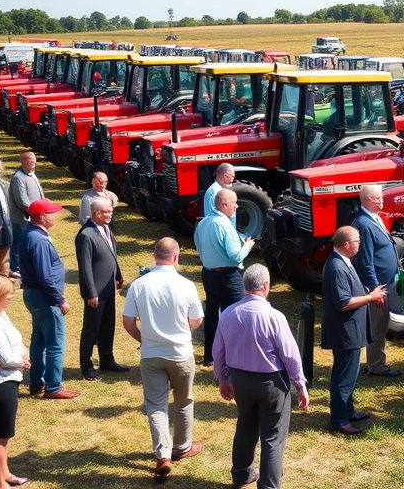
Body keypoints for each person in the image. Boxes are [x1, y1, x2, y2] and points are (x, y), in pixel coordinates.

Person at [214, 264, 309, 489]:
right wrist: (300, 384)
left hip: (240, 381)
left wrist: (223, 380)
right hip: (271, 384)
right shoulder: (274, 317)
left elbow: (218, 351)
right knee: (273, 438)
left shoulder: (228, 314)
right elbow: (291, 355)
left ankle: (241, 474)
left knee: (245, 426)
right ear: (265, 286)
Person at [122, 238, 205, 479]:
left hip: (151, 354)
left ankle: (163, 454)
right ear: (176, 257)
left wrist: (144, 339)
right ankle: (182, 446)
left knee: (156, 406)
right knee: (184, 401)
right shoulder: (187, 284)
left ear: (153, 255)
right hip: (180, 353)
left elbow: (128, 321)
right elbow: (197, 320)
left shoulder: (139, 285)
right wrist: (183, 331)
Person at [321, 226, 385, 435]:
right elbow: (343, 302)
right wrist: (371, 297)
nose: (360, 244)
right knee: (344, 377)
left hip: (350, 330)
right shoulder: (338, 267)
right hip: (345, 332)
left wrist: (366, 292)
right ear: (347, 244)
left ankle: (347, 411)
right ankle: (339, 421)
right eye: (357, 241)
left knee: (350, 373)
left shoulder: (342, 262)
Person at [20, 198, 78, 399]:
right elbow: (45, 276)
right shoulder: (38, 239)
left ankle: (37, 383)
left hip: (34, 295)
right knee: (54, 343)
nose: (56, 215)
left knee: (39, 341)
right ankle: (53, 387)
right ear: (42, 216)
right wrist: (60, 299)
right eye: (52, 212)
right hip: (45, 298)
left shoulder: (32, 235)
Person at [195, 188, 254, 366]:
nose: (236, 206)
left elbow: (198, 246)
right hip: (227, 276)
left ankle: (210, 356)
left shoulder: (203, 223)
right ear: (224, 205)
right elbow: (236, 256)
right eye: (234, 203)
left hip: (208, 273)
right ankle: (232, 358)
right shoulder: (224, 224)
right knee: (236, 316)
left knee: (212, 313)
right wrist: (247, 246)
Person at [351, 184, 400, 378]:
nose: (382, 200)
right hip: (378, 286)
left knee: (378, 325)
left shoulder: (374, 218)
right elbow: (366, 260)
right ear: (369, 199)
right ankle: (377, 365)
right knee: (378, 326)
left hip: (383, 283)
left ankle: (373, 361)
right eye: (379, 198)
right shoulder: (364, 224)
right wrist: (374, 288)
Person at [75, 197, 127, 381]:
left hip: (108, 288)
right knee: (92, 328)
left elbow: (112, 254)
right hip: (95, 292)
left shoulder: (105, 229)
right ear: (96, 213)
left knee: (107, 325)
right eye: (107, 211)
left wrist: (118, 274)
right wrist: (90, 292)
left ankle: (107, 359)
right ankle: (86, 365)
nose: (110, 214)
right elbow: (85, 266)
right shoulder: (86, 235)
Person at [0, 274, 32, 488]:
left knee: (6, 434)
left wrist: (24, 355)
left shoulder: (1, 315)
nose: (11, 296)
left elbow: (14, 345)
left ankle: (5, 474)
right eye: (8, 292)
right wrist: (21, 362)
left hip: (9, 379)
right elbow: (4, 358)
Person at [7, 152, 42, 277]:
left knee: (30, 242)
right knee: (18, 242)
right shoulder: (18, 177)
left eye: (34, 160)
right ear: (22, 161)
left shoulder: (32, 175)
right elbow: (22, 201)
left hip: (34, 216)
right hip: (21, 217)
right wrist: (35, 212)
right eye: (29, 160)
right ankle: (15, 268)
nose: (33, 162)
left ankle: (27, 265)